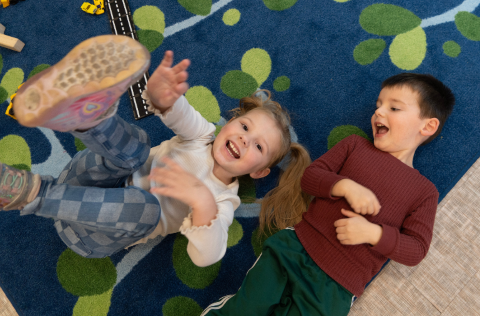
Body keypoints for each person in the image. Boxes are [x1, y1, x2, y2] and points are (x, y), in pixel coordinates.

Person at [0, 35, 311, 267]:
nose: (245, 140)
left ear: (258, 172)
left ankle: (28, 193)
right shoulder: (203, 136)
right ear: (231, 123)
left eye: (258, 146)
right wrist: (162, 97)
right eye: (244, 127)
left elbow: (207, 256)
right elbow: (181, 115)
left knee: (147, 208)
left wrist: (201, 202)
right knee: (138, 149)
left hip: (89, 233)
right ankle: (88, 119)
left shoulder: (221, 201)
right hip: (81, 178)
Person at [201, 73, 455, 315]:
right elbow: (311, 177)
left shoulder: (424, 192)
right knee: (245, 309)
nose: (378, 111)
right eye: (379, 105)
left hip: (336, 288)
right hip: (296, 248)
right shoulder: (355, 145)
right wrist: (345, 186)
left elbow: (416, 249)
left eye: (394, 108)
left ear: (428, 126)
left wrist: (374, 233)